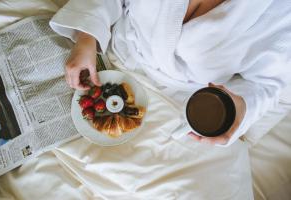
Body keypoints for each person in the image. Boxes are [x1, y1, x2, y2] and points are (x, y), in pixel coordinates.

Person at [50, 0, 291, 146]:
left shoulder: (282, 15)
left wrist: (239, 107)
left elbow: (267, 85)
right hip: (110, 53)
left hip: (181, 111)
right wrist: (86, 37)